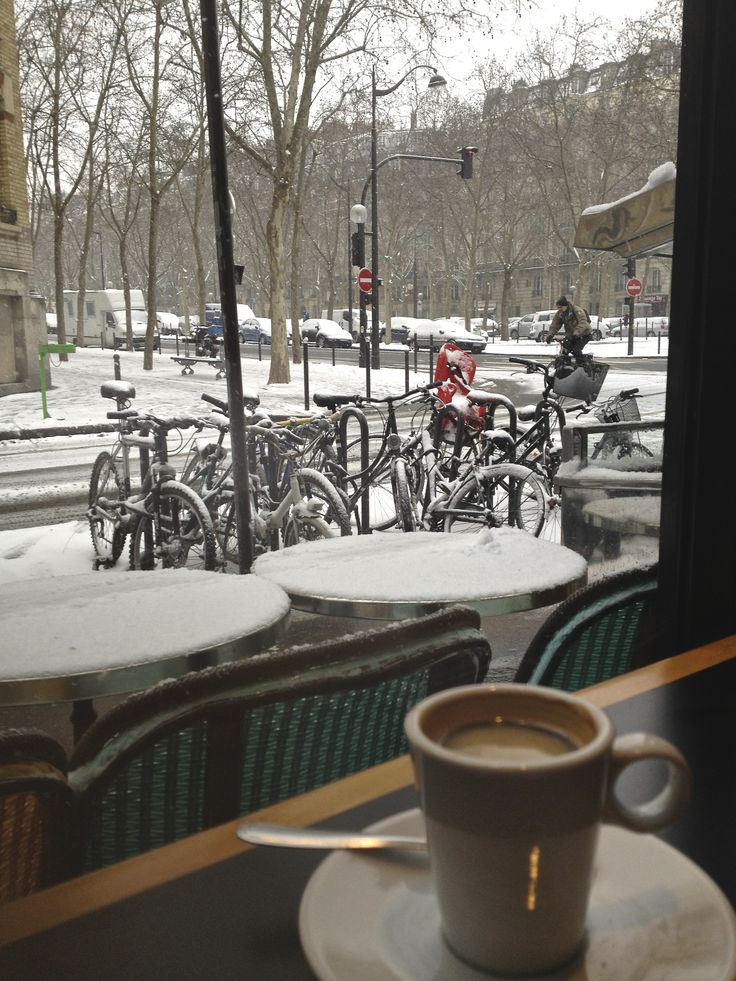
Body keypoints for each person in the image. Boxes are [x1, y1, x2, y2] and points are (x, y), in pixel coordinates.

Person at [549, 296, 593, 364]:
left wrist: (577, 332)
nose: (559, 309)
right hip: (572, 335)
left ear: (565, 306)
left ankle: (583, 366)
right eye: (558, 307)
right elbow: (555, 325)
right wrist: (550, 335)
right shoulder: (560, 313)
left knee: (576, 350)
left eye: (560, 307)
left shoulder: (576, 310)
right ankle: (566, 367)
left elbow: (583, 322)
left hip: (584, 334)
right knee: (564, 351)